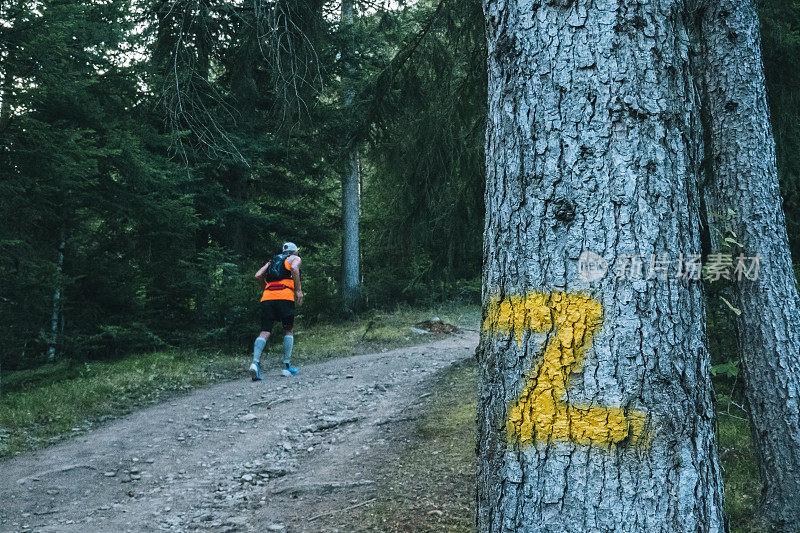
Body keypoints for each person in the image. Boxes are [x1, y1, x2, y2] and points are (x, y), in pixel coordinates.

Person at [249, 242, 304, 380]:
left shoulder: (273, 260)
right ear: (294, 252)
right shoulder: (294, 259)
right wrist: (298, 291)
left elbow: (258, 275)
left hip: (267, 297)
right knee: (288, 329)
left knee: (265, 330)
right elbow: (294, 269)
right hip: (285, 296)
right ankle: (286, 367)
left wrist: (266, 288)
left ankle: (255, 363)